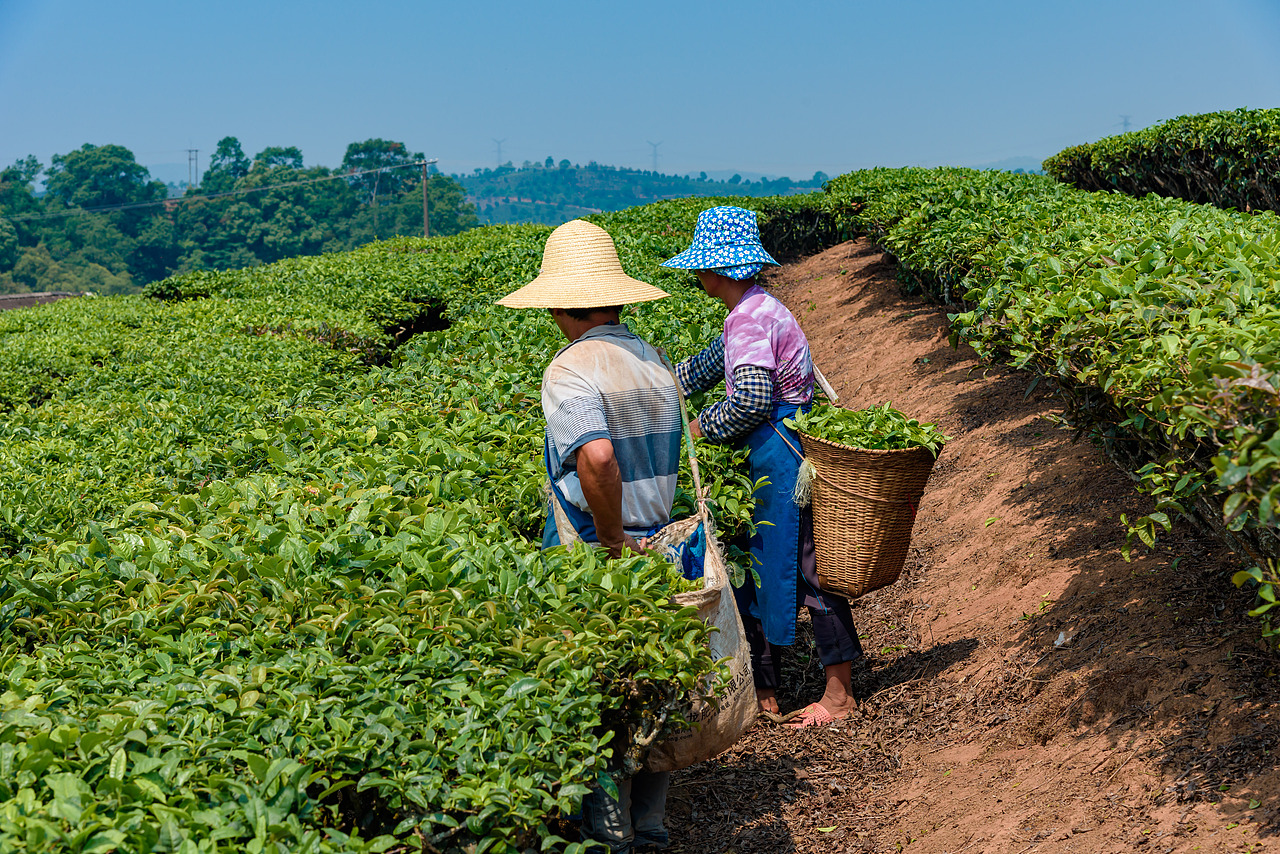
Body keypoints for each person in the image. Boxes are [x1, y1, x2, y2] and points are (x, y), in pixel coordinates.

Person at [497, 218, 681, 852]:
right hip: (662, 542)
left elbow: (597, 457)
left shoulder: (569, 371)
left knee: (597, 690)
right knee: (652, 682)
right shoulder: (654, 359)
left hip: (598, 547)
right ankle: (651, 825)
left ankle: (610, 831)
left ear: (557, 306)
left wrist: (610, 540)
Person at [662, 206, 863, 729]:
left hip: (781, 449)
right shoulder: (754, 309)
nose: (696, 274)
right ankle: (767, 690)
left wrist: (702, 425)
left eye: (701, 265)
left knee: (804, 566)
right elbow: (708, 365)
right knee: (764, 563)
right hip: (778, 447)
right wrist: (656, 382)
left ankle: (839, 696)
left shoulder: (749, 317)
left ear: (717, 269)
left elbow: (750, 400)